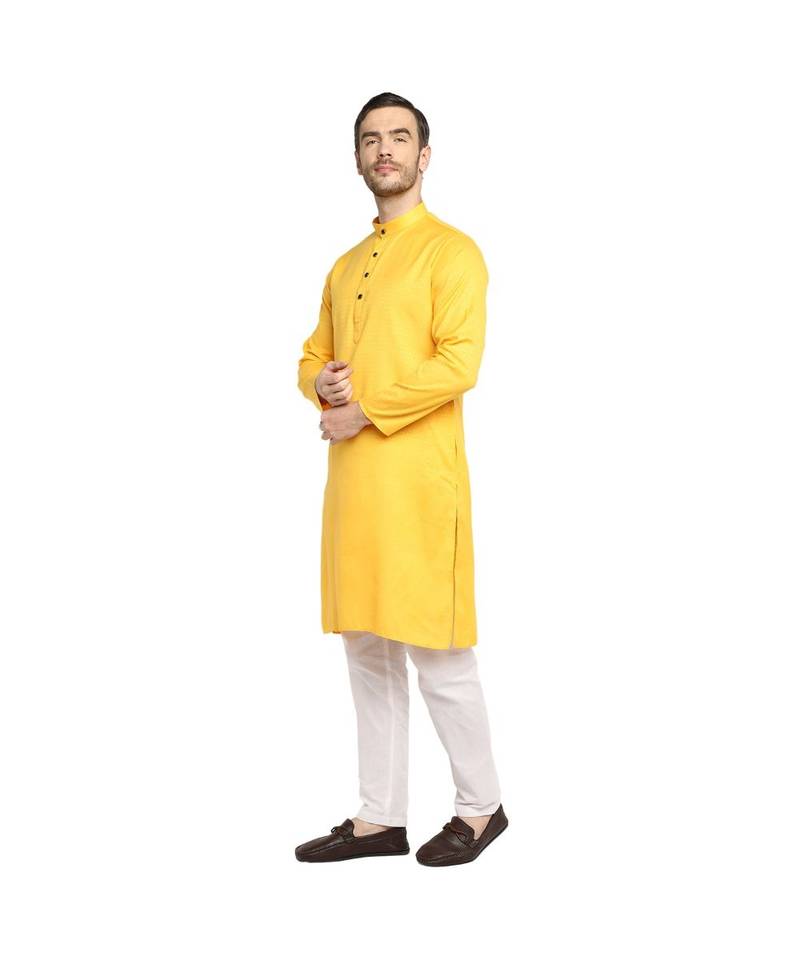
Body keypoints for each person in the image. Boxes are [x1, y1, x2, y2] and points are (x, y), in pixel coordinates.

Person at [295, 92, 508, 866]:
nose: (383, 149)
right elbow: (311, 355)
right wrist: (320, 386)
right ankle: (379, 819)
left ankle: (481, 808)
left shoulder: (452, 252)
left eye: (399, 137)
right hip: (354, 492)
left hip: (419, 490)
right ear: (357, 158)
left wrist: (363, 411)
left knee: (439, 656)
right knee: (366, 651)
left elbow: (459, 363)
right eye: (370, 139)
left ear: (424, 155)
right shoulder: (345, 264)